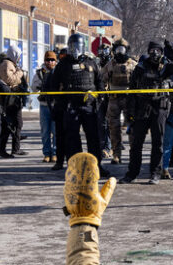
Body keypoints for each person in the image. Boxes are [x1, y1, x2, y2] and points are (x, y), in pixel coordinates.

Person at [49, 33, 107, 175]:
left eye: (77, 46)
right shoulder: (63, 64)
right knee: (72, 139)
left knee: (93, 137)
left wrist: (99, 98)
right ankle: (76, 167)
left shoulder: (91, 62)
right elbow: (54, 86)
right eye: (72, 46)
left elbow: (99, 82)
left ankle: (96, 166)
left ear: (83, 46)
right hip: (71, 106)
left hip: (89, 106)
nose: (75, 49)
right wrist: (60, 103)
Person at [121, 41, 169, 184]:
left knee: (158, 143)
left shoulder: (166, 67)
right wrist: (130, 113)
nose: (155, 53)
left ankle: (155, 173)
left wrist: (171, 48)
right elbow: (132, 90)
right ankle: (132, 173)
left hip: (159, 108)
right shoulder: (140, 67)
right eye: (152, 50)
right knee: (136, 144)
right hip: (142, 108)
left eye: (158, 51)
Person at [101, 38, 136, 165]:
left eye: (122, 49)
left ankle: (133, 153)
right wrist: (103, 94)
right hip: (114, 99)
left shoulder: (133, 65)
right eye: (118, 49)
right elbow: (102, 80)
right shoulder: (110, 64)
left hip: (129, 99)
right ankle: (116, 154)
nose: (120, 52)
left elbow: (139, 82)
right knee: (114, 128)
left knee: (132, 127)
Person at [0, 51, 28, 158]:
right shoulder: (7, 64)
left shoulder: (10, 64)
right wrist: (19, 73)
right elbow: (9, 80)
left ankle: (14, 148)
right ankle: (4, 150)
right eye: (18, 56)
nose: (19, 59)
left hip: (13, 100)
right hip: (9, 101)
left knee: (15, 124)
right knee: (10, 125)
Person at [35, 50, 58, 163]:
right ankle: (47, 153)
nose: (50, 62)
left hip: (56, 105)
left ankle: (55, 153)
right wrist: (41, 85)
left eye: (52, 60)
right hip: (44, 105)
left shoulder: (59, 71)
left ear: (55, 61)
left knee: (56, 131)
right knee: (45, 131)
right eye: (48, 60)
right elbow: (33, 87)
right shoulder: (40, 73)